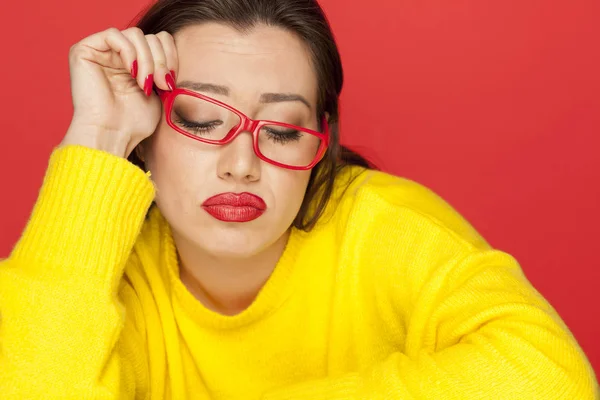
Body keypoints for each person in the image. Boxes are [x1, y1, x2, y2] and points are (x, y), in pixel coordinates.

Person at [0, 0, 598, 398]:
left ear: (321, 143)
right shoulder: (101, 274)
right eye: (202, 121)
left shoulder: (383, 226)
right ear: (147, 133)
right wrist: (99, 138)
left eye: (282, 130)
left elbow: (554, 377)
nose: (242, 164)